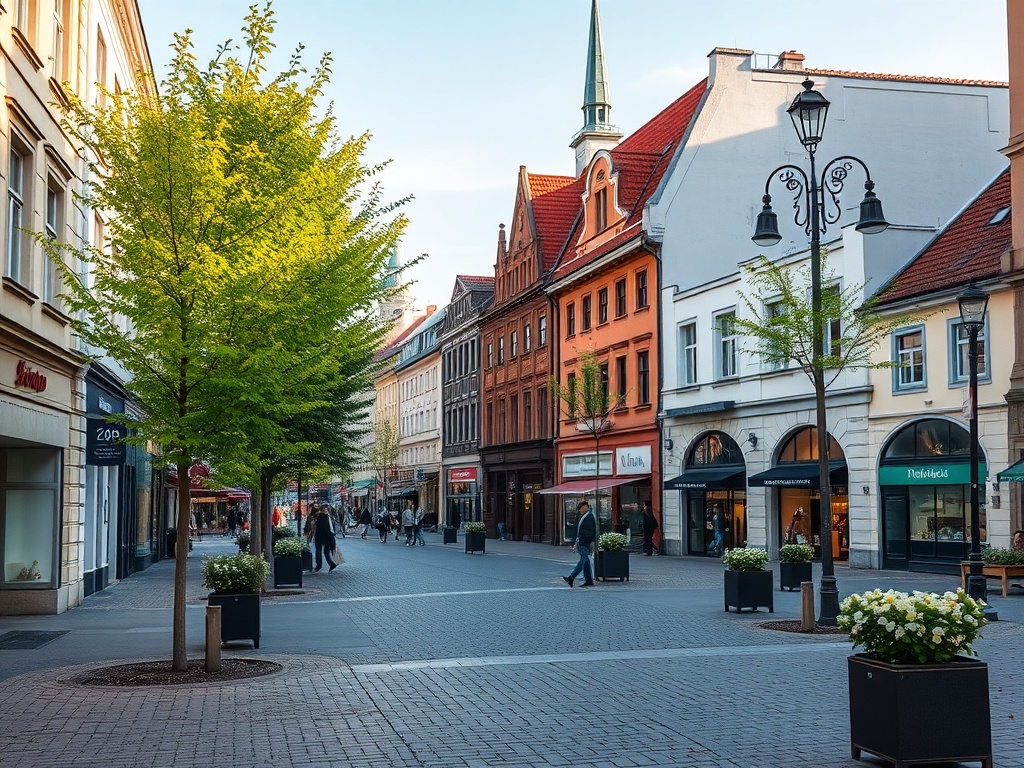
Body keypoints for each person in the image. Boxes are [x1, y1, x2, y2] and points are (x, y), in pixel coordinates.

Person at [562, 501, 596, 588]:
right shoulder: (583, 516)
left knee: (583, 561)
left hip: (585, 542)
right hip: (581, 541)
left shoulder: (589, 517)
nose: (579, 510)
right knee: (586, 562)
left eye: (581, 508)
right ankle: (588, 581)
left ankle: (571, 577)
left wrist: (586, 539)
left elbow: (590, 531)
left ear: (585, 507)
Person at [313, 507, 338, 572]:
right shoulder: (326, 517)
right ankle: (331, 563)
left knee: (318, 551)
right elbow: (329, 528)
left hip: (319, 537)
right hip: (327, 537)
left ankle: (319, 565)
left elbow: (318, 528)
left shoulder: (319, 518)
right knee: (326, 552)